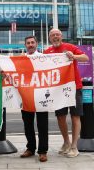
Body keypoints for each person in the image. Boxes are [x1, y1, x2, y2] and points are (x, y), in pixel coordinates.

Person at [44, 28, 89, 158]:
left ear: (61, 36)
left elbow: (85, 57)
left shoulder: (69, 47)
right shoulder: (47, 52)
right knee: (60, 117)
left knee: (75, 116)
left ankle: (74, 146)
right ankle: (66, 142)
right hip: (58, 89)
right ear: (50, 38)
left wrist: (74, 56)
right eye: (52, 35)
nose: (55, 37)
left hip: (74, 87)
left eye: (57, 34)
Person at [20, 36, 48, 162]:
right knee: (28, 124)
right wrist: (0, 60)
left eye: (32, 42)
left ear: (37, 44)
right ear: (25, 45)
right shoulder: (21, 59)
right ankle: (30, 148)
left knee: (42, 124)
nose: (30, 44)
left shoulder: (44, 58)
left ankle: (42, 151)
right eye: (28, 43)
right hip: (26, 95)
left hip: (41, 95)